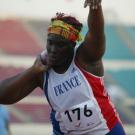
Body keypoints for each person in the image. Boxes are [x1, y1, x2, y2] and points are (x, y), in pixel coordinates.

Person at [0, 0, 126, 135]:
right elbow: (3, 96)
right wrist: (32, 71)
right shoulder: (42, 69)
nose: (52, 49)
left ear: (72, 46)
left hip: (105, 130)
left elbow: (96, 33)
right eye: (50, 43)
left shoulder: (85, 57)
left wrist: (95, 7)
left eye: (60, 45)